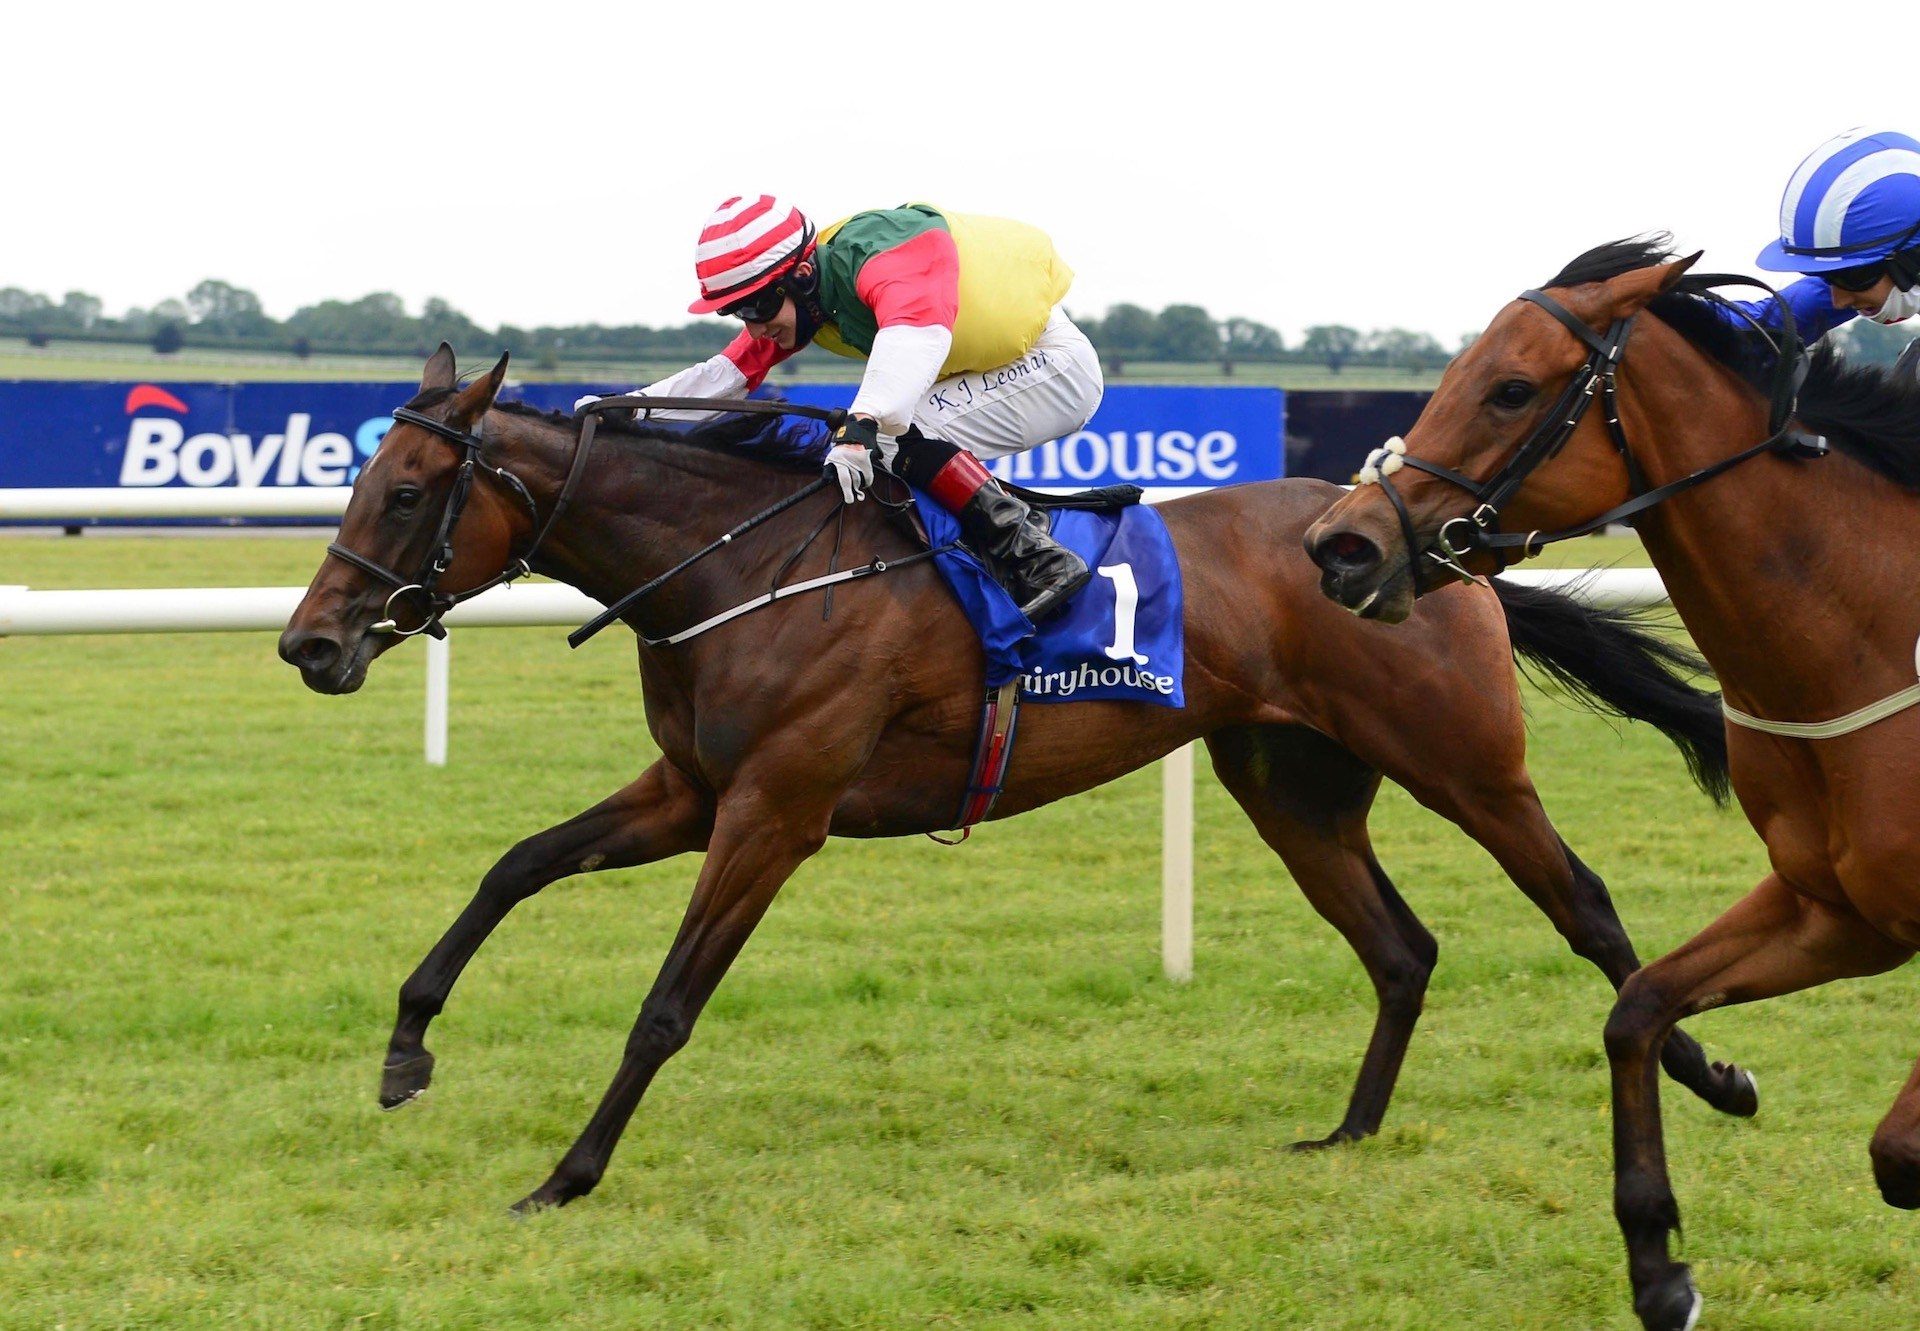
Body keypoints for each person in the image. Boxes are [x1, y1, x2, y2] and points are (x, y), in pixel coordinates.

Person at [585, 195, 1103, 622]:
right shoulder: (810, 298)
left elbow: (910, 342)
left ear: (803, 273)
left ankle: (1039, 556)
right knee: (877, 434)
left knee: (892, 434)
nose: (754, 324)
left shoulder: (885, 257)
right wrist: (625, 411)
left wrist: (860, 429)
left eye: (760, 305)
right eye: (738, 311)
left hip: (1053, 369)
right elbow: (726, 376)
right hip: (985, 366)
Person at [1739, 128, 1920, 341]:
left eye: (1852, 276)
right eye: (1828, 277)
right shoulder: (1875, 270)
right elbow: (1764, 325)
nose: (1838, 301)